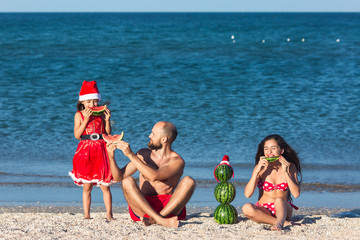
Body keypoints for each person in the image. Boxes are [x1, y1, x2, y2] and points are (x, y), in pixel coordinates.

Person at [106, 121, 196, 227]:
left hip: (169, 208)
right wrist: (111, 157)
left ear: (164, 139)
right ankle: (159, 219)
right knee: (127, 181)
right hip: (142, 207)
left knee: (189, 181)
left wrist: (130, 155)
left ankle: (155, 219)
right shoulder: (143, 154)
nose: (149, 136)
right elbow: (119, 177)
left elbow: (154, 176)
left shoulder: (177, 161)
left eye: (153, 134)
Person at [68, 80, 114, 221]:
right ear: (82, 102)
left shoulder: (101, 113)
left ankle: (109, 214)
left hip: (101, 148)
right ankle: (87, 215)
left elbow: (108, 134)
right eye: (89, 102)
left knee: (104, 185)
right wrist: (86, 119)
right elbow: (77, 135)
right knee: (87, 187)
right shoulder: (79, 115)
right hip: (86, 150)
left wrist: (107, 120)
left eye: (95, 102)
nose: (93, 105)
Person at [241, 134, 302, 230]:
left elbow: (296, 194)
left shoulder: (290, 167)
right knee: (246, 207)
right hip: (264, 210)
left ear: (281, 150)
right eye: (266, 149)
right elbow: (247, 194)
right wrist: (256, 172)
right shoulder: (260, 168)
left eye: (273, 148)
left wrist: (286, 172)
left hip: (283, 208)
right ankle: (282, 223)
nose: (269, 152)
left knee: (278, 200)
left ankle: (280, 222)